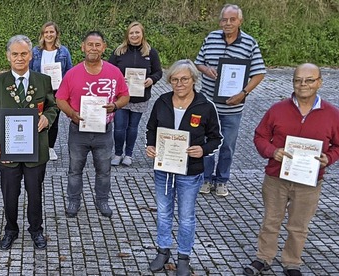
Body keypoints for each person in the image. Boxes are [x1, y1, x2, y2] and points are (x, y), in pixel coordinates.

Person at [243, 63, 339, 276]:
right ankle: (264, 258)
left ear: (320, 82)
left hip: (309, 180)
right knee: (271, 220)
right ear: (293, 82)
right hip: (276, 177)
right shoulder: (277, 109)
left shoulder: (332, 114)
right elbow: (259, 136)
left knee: (299, 225)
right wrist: (271, 151)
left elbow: (338, 146)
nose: (303, 84)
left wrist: (329, 157)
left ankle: (292, 262)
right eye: (298, 80)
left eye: (309, 80)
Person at [145, 59, 222, 276]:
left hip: (191, 172)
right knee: (163, 211)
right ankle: (163, 250)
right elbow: (151, 129)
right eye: (175, 79)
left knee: (186, 216)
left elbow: (216, 138)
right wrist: (150, 145)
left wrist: (203, 150)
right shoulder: (162, 101)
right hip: (164, 169)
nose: (179, 83)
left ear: (194, 80)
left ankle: (184, 256)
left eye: (184, 79)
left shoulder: (205, 106)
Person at [0, 35, 58, 250]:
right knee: (10, 193)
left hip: (36, 150)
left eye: (23, 54)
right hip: (8, 150)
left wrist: (48, 118)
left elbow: (52, 107)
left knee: (35, 193)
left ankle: (36, 230)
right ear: (8, 56)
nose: (19, 58)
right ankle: (11, 230)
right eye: (15, 54)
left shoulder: (43, 80)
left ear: (31, 55)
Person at [56, 31, 129, 218]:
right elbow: (60, 99)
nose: (93, 49)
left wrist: (115, 106)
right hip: (78, 130)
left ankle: (102, 200)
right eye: (90, 44)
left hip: (104, 131)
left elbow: (125, 96)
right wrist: (71, 113)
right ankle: (73, 200)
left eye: (97, 45)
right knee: (74, 169)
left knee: (104, 170)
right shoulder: (72, 74)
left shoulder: (114, 72)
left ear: (104, 47)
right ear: (83, 47)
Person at [195, 4, 266, 197]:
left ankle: (222, 180)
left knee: (227, 145)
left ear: (240, 21)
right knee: (207, 142)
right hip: (209, 104)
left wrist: (243, 93)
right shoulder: (211, 38)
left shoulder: (250, 43)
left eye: (232, 19)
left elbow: (259, 73)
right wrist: (205, 70)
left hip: (233, 107)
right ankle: (205, 178)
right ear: (220, 22)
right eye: (224, 20)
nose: (228, 23)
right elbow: (198, 62)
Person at [108, 21, 163, 166]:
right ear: (127, 35)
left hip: (140, 98)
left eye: (137, 32)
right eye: (131, 33)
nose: (134, 35)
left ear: (142, 34)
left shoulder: (151, 52)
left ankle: (129, 154)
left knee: (133, 128)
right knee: (119, 127)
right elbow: (109, 71)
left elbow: (158, 72)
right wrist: (119, 79)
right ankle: (118, 153)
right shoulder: (118, 51)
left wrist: (151, 80)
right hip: (121, 97)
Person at [29, 21, 73, 161]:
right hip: (38, 90)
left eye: (51, 32)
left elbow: (69, 71)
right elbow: (29, 70)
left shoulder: (63, 52)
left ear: (56, 34)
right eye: (46, 32)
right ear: (42, 34)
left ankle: (50, 148)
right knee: (35, 118)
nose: (49, 35)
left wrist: (64, 85)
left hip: (56, 91)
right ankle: (34, 146)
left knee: (52, 120)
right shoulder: (35, 51)